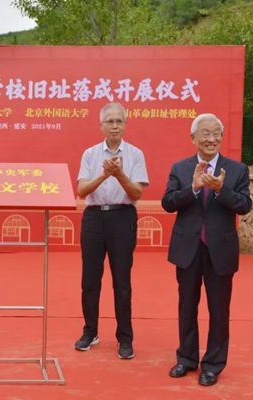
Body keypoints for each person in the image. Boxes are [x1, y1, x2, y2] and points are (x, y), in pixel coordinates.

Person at [161, 113, 252, 386]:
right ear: (193, 138)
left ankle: (213, 364)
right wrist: (193, 187)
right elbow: (168, 203)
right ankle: (186, 358)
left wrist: (222, 190)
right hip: (188, 248)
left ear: (221, 137)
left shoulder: (237, 170)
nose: (211, 139)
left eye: (216, 133)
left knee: (219, 310)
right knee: (187, 306)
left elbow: (244, 206)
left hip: (220, 250)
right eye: (205, 133)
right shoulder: (180, 168)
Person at [74, 102, 149, 359]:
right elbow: (82, 191)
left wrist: (119, 174)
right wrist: (105, 175)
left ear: (125, 124)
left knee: (122, 281)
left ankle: (125, 338)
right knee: (89, 280)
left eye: (119, 121)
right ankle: (90, 331)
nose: (114, 125)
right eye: (110, 121)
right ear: (101, 125)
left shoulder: (135, 154)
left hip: (122, 217)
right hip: (93, 218)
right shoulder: (90, 154)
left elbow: (137, 192)